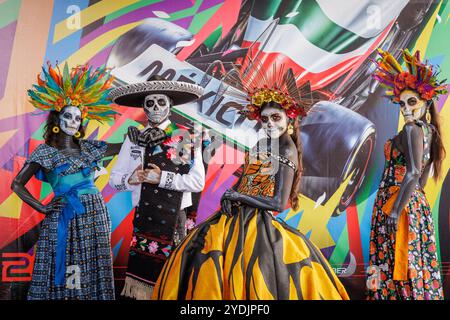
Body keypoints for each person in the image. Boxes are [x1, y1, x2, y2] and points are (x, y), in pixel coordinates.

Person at [152, 64, 350, 300]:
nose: (269, 124)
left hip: (259, 223)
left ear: (289, 118)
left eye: (275, 118)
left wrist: (237, 196)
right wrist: (232, 194)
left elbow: (277, 203)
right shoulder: (261, 144)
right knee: (199, 252)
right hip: (236, 217)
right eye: (264, 119)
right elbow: (246, 180)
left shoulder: (287, 149)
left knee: (251, 273)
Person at [11, 62, 126, 300]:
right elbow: (17, 183)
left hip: (95, 215)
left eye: (77, 118)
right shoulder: (45, 152)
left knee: (92, 264)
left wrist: (135, 136)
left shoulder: (89, 148)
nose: (73, 122)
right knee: (61, 262)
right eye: (68, 116)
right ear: (56, 119)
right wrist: (42, 207)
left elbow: (121, 146)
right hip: (65, 214)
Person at [108, 75, 205, 299]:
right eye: (150, 102)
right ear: (143, 107)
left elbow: (197, 181)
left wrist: (161, 178)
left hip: (174, 220)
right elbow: (115, 179)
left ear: (170, 105)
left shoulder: (185, 136)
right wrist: (131, 179)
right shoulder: (134, 138)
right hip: (145, 218)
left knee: (172, 279)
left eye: (161, 101)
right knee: (142, 282)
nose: (155, 107)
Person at [366, 49, 447, 300]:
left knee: (394, 264)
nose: (405, 109)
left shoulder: (413, 129)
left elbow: (413, 173)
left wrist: (394, 210)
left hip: (398, 205)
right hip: (414, 205)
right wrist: (411, 205)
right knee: (415, 264)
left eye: (411, 102)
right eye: (402, 104)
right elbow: (421, 180)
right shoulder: (430, 131)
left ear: (425, 102)